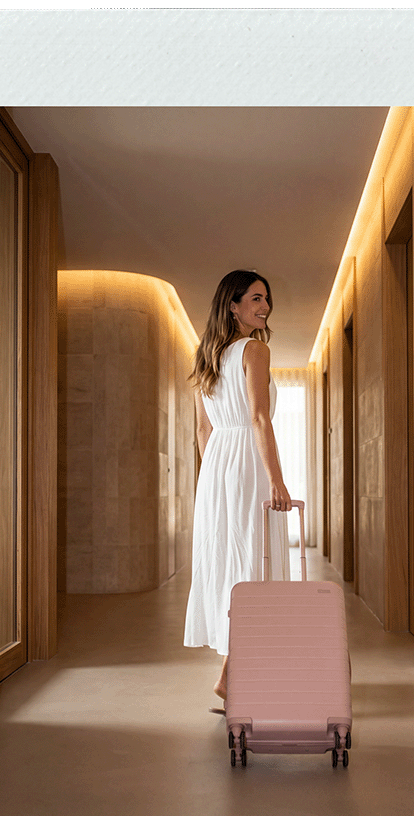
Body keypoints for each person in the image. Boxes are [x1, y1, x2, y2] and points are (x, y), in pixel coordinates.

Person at [183, 269, 292, 702]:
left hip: (217, 467)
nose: (265, 306)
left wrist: (214, 479)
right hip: (247, 460)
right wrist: (276, 481)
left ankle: (233, 670)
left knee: (228, 555)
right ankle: (237, 671)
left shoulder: (204, 357)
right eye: (256, 298)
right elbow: (259, 418)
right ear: (233, 305)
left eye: (266, 298)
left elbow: (202, 432)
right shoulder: (254, 350)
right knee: (255, 554)